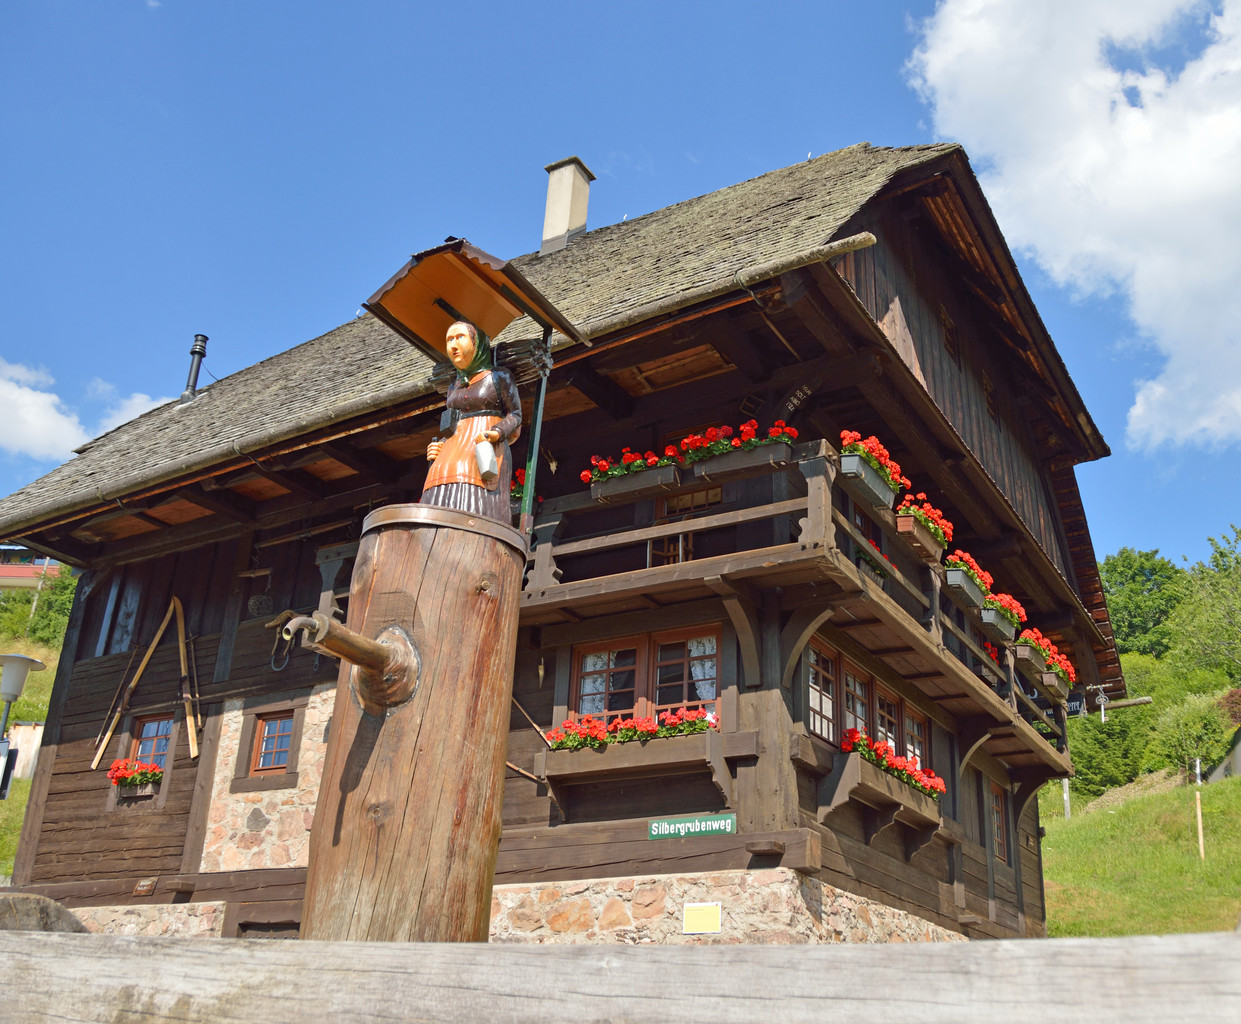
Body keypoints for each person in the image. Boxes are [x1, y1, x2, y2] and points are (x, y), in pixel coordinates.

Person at [421, 321, 521, 524]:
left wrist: (497, 432)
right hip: (452, 447)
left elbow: (516, 415)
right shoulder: (453, 386)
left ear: (477, 344)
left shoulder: (499, 376)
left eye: (460, 337)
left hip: (483, 444)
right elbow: (452, 424)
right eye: (449, 340)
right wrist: (440, 445)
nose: (454, 345)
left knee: (468, 472)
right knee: (437, 475)